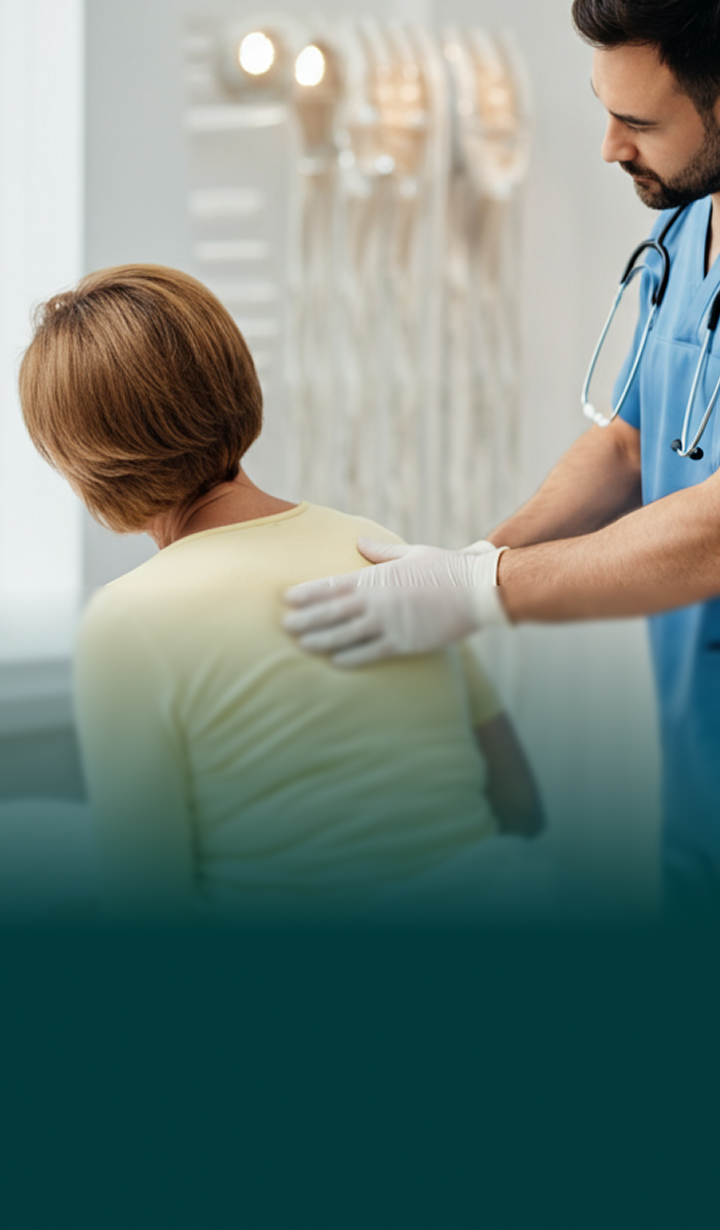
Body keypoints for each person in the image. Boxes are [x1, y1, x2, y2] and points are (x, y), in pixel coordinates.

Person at [283, 0, 720, 912]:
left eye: (638, 123)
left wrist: (485, 590)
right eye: (606, 110)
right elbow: (633, 441)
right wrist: (478, 557)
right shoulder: (687, 226)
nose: (609, 147)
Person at [19, 264, 544, 922]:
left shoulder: (125, 624)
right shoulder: (375, 543)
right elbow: (519, 803)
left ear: (88, 466)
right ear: (234, 384)